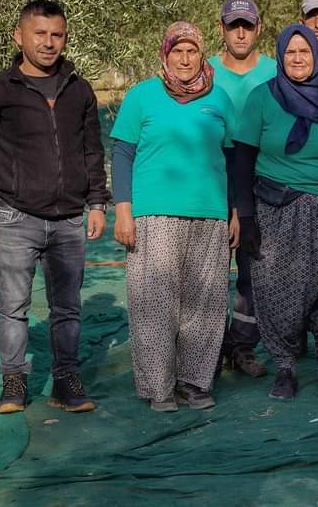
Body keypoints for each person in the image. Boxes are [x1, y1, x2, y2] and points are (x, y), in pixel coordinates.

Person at [0, 0, 107, 414]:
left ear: (65, 38)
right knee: (12, 306)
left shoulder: (78, 89)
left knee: (68, 307)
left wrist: (97, 202)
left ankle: (66, 381)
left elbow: (92, 151)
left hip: (68, 221)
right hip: (14, 217)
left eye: (56, 35)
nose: (48, 43)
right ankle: (13, 383)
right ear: (19, 37)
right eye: (40, 34)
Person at [111, 22, 238, 412]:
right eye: (177, 51)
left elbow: (232, 157)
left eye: (192, 51)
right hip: (154, 214)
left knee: (205, 302)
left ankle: (194, 383)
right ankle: (159, 388)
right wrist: (123, 211)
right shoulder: (142, 97)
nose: (185, 59)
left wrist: (235, 211)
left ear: (202, 54)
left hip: (210, 213)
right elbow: (122, 155)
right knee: (154, 302)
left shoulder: (219, 98)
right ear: (165, 54)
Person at [234, 25, 318, 401]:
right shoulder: (262, 98)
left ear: (317, 56)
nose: (298, 59)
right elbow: (243, 158)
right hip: (278, 208)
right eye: (291, 53)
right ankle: (285, 367)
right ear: (280, 57)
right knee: (279, 290)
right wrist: (247, 216)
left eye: (305, 52)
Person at [210, 0, 277, 379]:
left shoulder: (274, 70)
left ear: (258, 28)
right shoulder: (205, 72)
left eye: (247, 25)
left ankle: (245, 345)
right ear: (221, 28)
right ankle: (213, 345)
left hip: (260, 178)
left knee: (253, 267)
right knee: (212, 268)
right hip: (213, 176)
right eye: (233, 24)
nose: (240, 32)